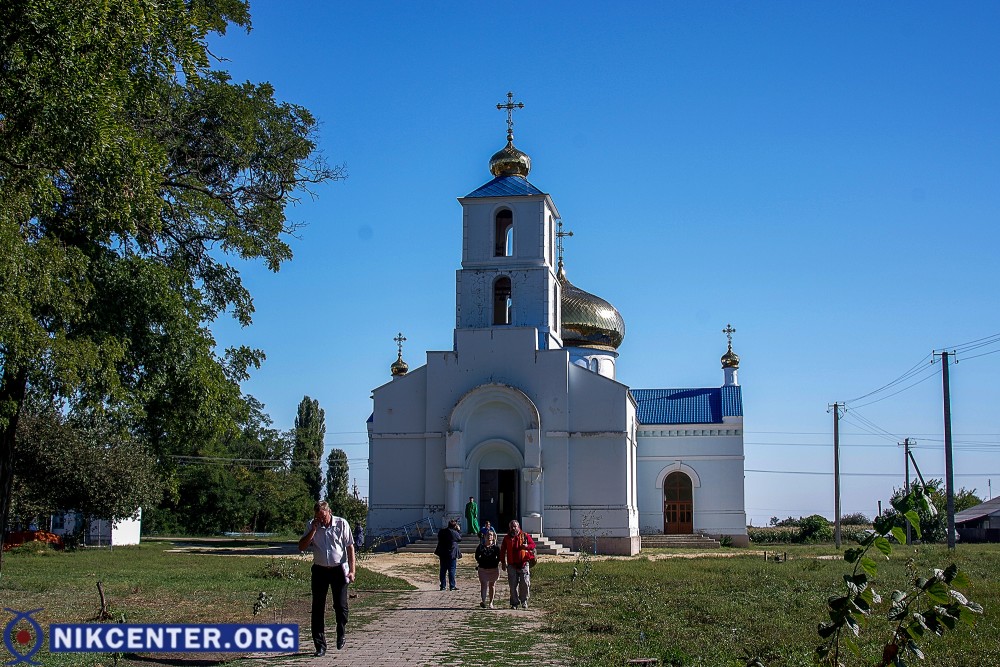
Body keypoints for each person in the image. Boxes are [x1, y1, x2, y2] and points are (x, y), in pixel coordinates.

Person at [298, 501, 356, 656]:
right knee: (317, 608)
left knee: (341, 606)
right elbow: (302, 546)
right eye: (318, 517)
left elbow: (350, 547)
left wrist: (352, 570)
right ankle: (320, 645)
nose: (321, 520)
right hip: (320, 570)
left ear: (329, 512)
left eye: (323, 517)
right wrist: (313, 531)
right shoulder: (312, 525)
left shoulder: (341, 523)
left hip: (339, 570)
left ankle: (341, 630)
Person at [499, 519, 535, 609]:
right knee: (512, 584)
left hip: (523, 563)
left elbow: (533, 545)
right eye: (511, 527)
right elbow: (503, 550)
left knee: (525, 583)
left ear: (518, 527)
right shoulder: (507, 538)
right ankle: (514, 603)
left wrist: (527, 546)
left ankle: (524, 600)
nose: (513, 528)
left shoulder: (525, 535)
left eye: (515, 526)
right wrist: (503, 562)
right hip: (512, 564)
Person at [474, 529, 502, 608]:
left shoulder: (496, 548)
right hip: (483, 568)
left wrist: (495, 562)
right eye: (488, 535)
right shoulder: (481, 547)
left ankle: (491, 602)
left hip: (493, 568)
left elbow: (499, 557)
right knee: (483, 584)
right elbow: (477, 556)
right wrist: (481, 561)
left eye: (491, 535)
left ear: (493, 537)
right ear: (485, 536)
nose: (489, 537)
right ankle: (483, 601)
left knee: (492, 585)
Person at [434, 518, 463, 591]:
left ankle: (443, 586)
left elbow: (439, 538)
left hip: (442, 553)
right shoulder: (454, 532)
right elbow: (459, 539)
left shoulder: (442, 531)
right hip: (451, 554)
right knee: (451, 570)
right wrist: (458, 530)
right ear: (455, 526)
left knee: (443, 570)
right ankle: (452, 586)